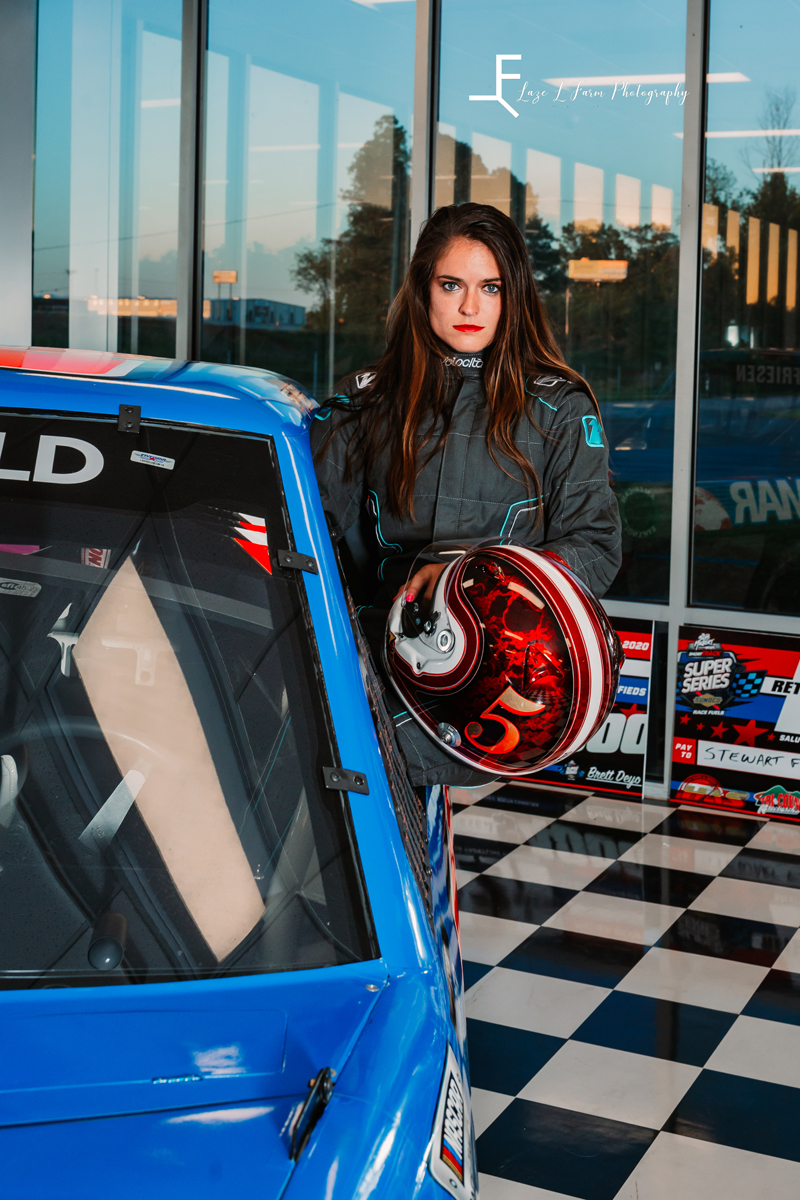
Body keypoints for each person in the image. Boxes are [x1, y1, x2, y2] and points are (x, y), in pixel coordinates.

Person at [311, 202, 621, 785]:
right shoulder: (365, 401)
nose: (471, 307)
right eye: (451, 284)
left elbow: (596, 547)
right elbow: (312, 534)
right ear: (423, 289)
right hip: (368, 671)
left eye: (491, 288)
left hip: (485, 688)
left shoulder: (559, 408)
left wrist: (468, 581)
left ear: (515, 296)